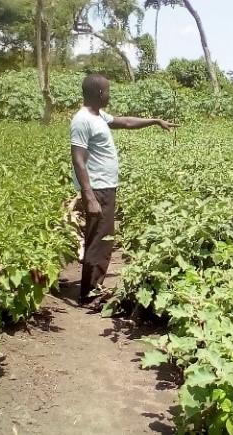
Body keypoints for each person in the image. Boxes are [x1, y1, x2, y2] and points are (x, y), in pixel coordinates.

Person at [70, 74, 178, 309]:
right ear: (99, 93)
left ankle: (92, 289)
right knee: (99, 240)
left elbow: (125, 122)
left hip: (105, 186)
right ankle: (91, 295)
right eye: (108, 91)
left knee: (101, 238)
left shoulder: (98, 116)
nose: (110, 95)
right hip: (97, 188)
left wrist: (155, 121)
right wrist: (89, 196)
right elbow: (78, 160)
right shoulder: (82, 120)